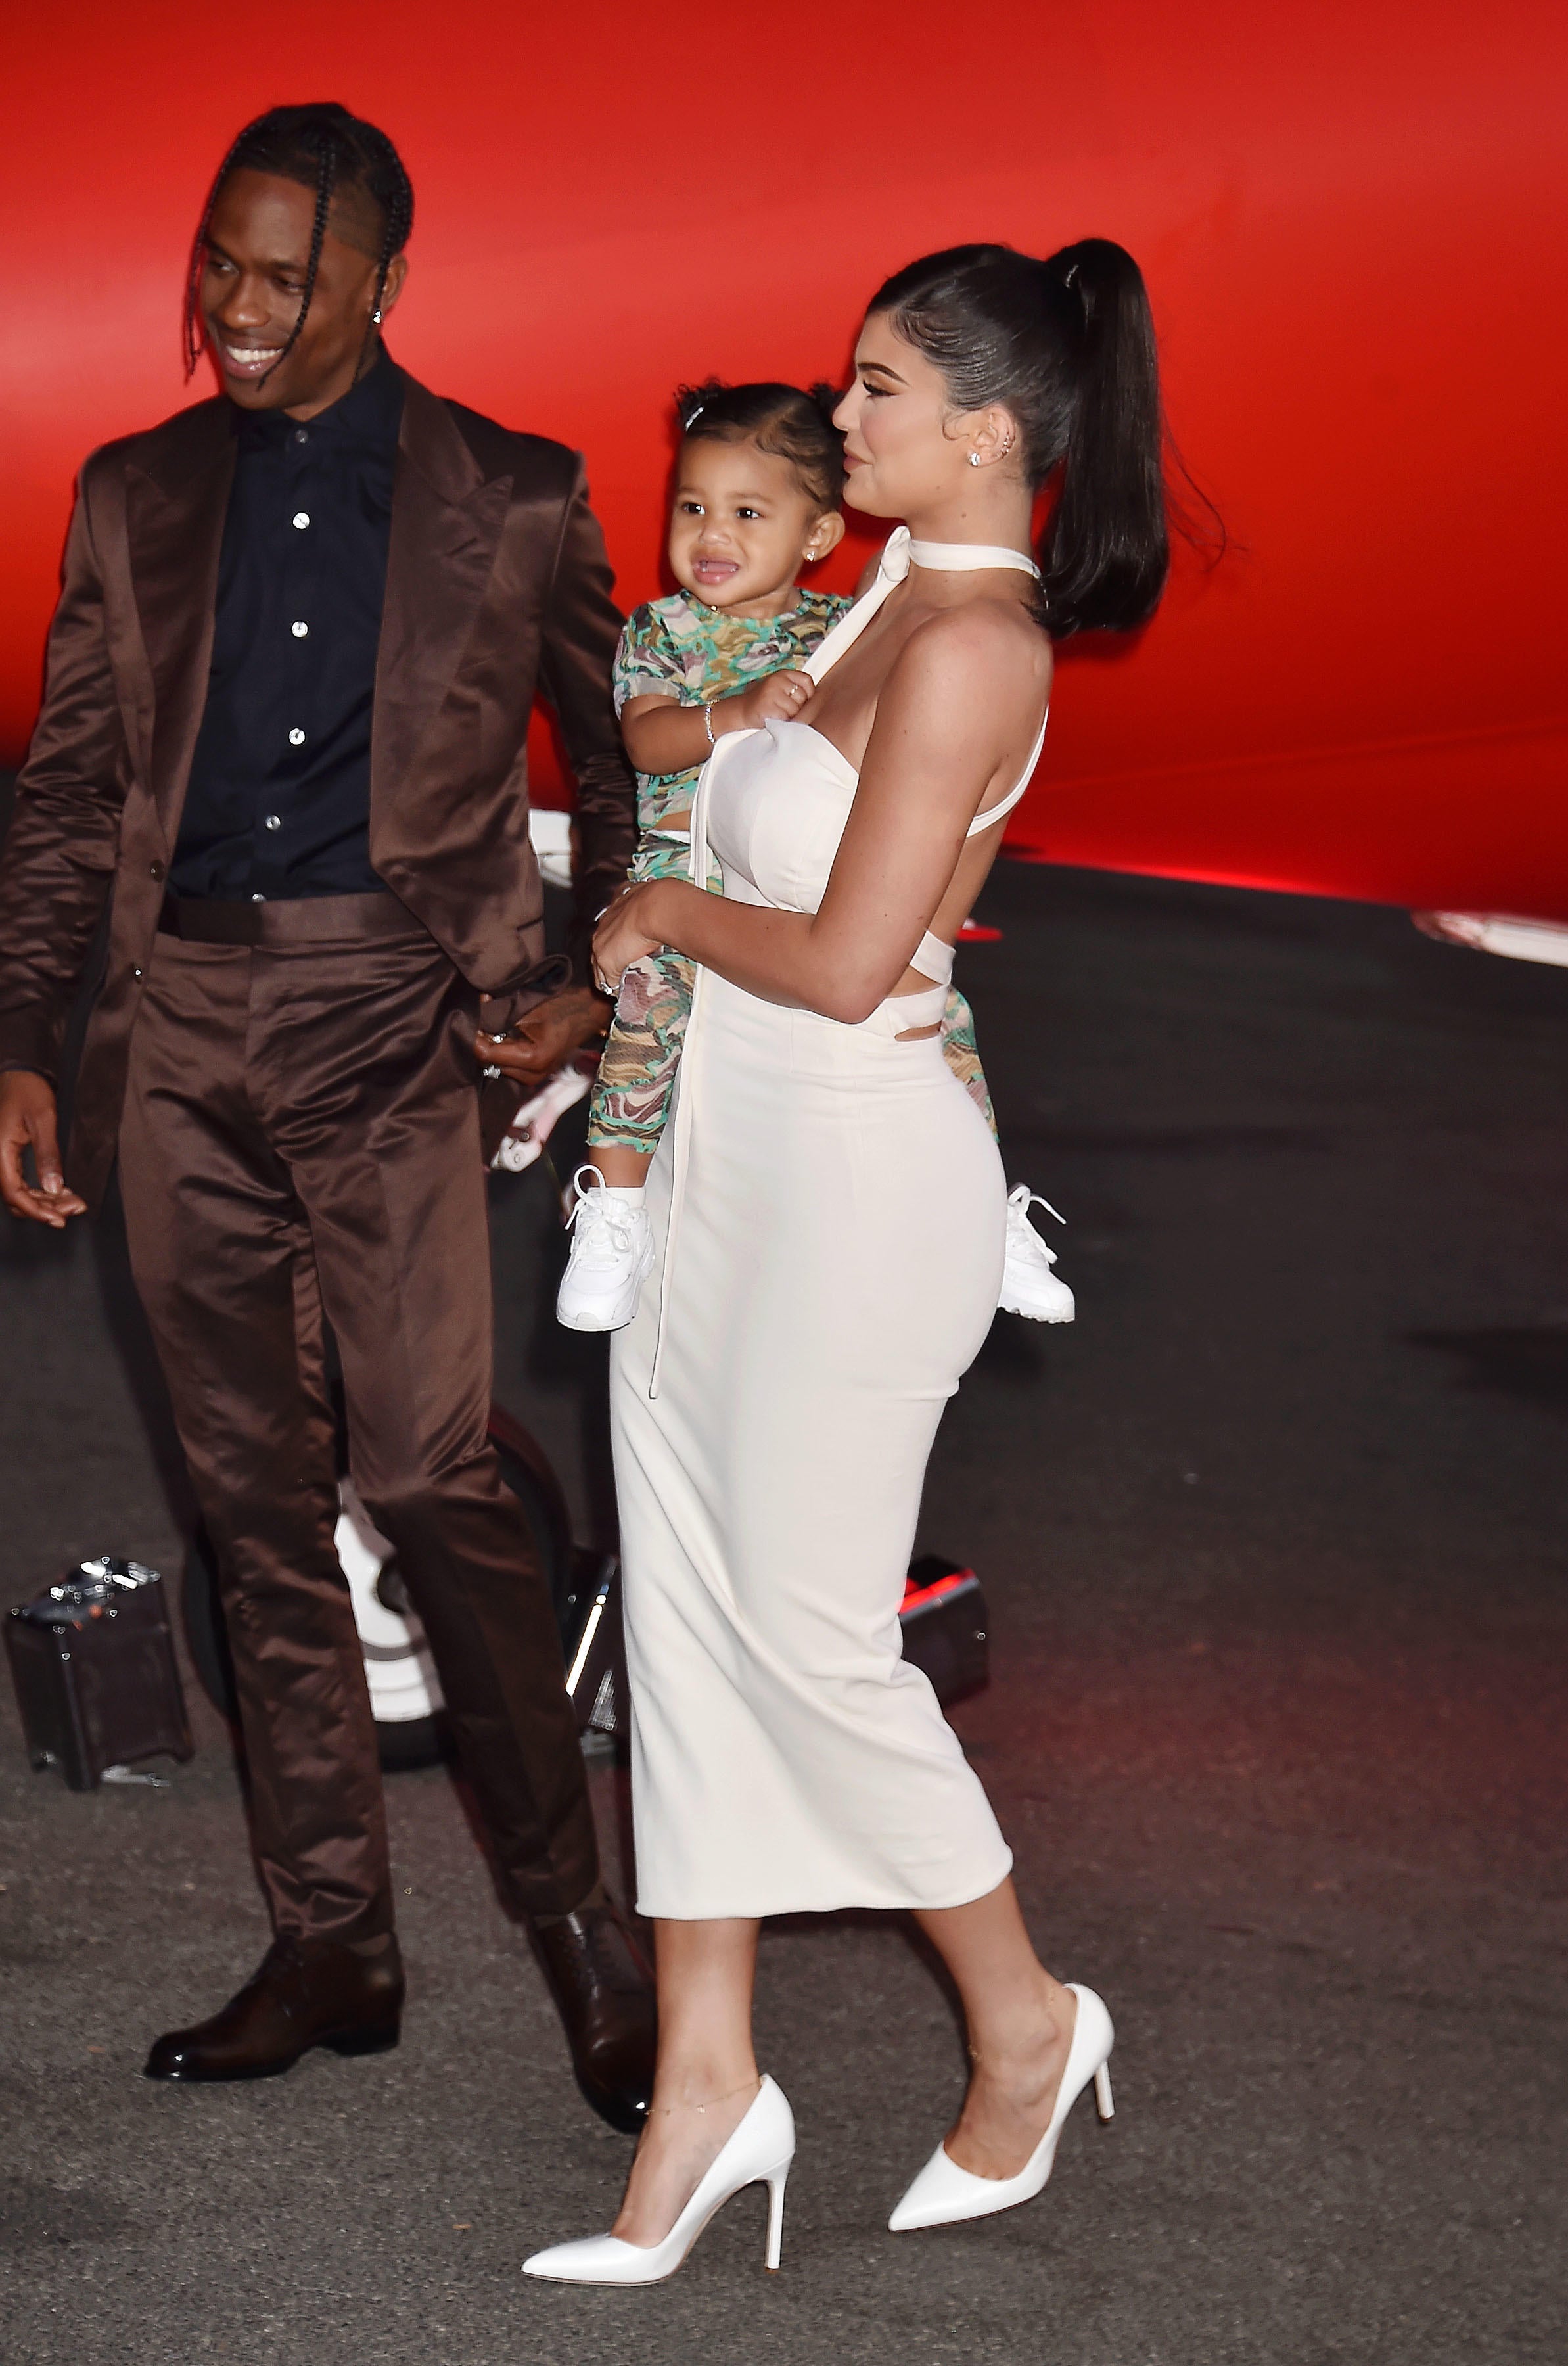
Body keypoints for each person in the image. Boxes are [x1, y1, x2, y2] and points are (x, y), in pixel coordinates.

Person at [522, 237, 1170, 2284]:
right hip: (728, 1149)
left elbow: (844, 952)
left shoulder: (981, 642)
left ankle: (1026, 2019)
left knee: (811, 1640)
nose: (845, 412)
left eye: (879, 386)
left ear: (987, 431)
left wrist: (648, 929)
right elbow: (728, 785)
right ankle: (706, 2088)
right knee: (687, 1608)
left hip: (859, 1167)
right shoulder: (886, 586)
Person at [0, 103, 655, 2127]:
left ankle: (579, 1934)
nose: (240, 308)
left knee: (431, 1468)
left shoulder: (516, 495)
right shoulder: (134, 490)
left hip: (392, 1017)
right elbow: (67, 782)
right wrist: (30, 1025)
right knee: (251, 1509)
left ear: (385, 279)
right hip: (178, 1022)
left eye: (286, 275)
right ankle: (332, 1942)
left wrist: (583, 976)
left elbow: (623, 746)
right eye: (221, 264)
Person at [555, 377, 1072, 1332]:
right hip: (678, 877)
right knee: (642, 1029)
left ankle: (985, 1214)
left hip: (804, 893)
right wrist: (733, 714)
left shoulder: (843, 628)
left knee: (942, 1024)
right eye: (692, 508)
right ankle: (613, 1209)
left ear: (818, 538)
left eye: (748, 513)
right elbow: (643, 743)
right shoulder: (661, 631)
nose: (712, 536)